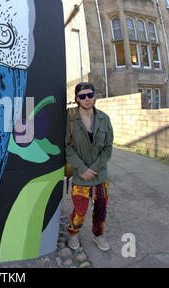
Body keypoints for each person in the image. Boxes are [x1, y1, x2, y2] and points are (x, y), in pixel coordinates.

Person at [65, 82, 113, 251]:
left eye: (90, 95)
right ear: (77, 98)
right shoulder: (70, 117)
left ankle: (98, 235)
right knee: (79, 211)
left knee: (100, 210)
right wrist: (82, 169)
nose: (87, 99)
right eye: (82, 96)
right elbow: (67, 147)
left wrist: (94, 168)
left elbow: (108, 148)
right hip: (80, 176)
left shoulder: (104, 119)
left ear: (95, 96)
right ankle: (73, 234)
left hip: (100, 176)